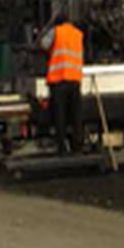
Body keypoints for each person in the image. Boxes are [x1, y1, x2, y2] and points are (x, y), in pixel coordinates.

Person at [40, 12, 84, 155]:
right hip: (75, 80)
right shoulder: (78, 34)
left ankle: (62, 148)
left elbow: (43, 45)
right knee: (76, 116)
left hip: (59, 80)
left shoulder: (56, 31)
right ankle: (78, 146)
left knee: (60, 116)